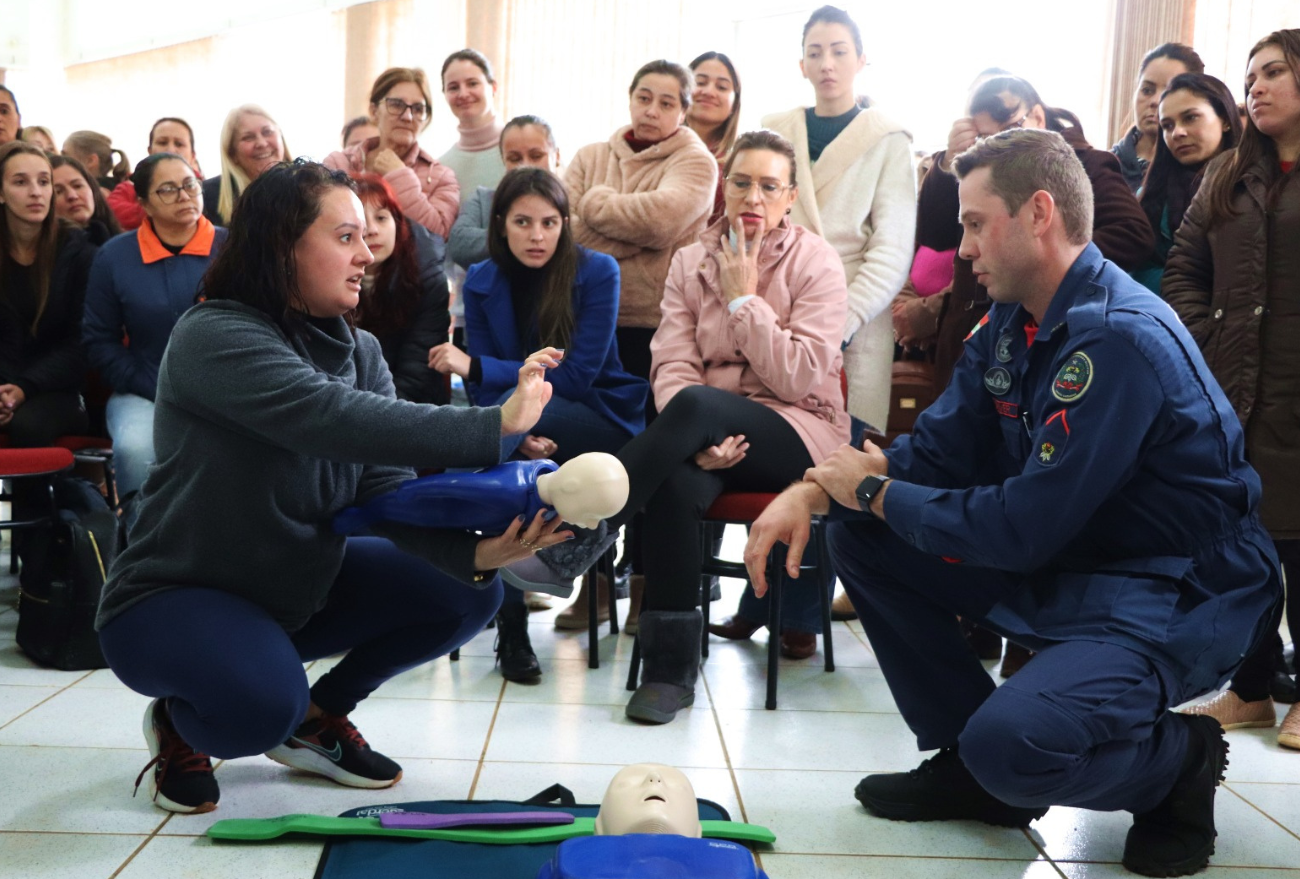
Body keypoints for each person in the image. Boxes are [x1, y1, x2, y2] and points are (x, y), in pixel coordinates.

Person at [743, 128, 1280, 878]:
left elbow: (1021, 528)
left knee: (1017, 744)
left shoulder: (1117, 339)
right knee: (865, 534)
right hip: (1076, 561)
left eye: (972, 222)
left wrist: (867, 488)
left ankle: (1173, 765)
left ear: (1037, 213)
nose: (961, 249)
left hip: (1177, 594)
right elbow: (933, 454)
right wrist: (815, 489)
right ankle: (974, 770)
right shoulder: (1012, 320)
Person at [94, 160, 565, 815]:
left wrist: (475, 556)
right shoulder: (214, 335)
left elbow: (384, 490)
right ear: (282, 245)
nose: (367, 254)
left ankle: (316, 715)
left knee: (468, 591)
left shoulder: (360, 349)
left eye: (364, 237)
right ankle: (182, 721)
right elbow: (334, 419)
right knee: (258, 707)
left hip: (292, 589)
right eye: (345, 237)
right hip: (171, 599)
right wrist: (497, 425)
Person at [508, 131, 849, 723]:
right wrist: (700, 436)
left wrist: (744, 301)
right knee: (674, 482)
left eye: (769, 186)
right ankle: (669, 673)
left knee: (692, 407)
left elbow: (798, 376)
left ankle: (578, 538)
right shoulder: (692, 259)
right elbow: (670, 363)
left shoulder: (816, 261)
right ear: (724, 185)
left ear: (789, 197)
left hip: (797, 430)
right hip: (705, 430)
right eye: (741, 181)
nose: (752, 196)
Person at [727, 5, 913, 640]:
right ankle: (756, 604)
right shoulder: (775, 127)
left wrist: (839, 321)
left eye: (839, 50)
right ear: (800, 62)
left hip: (854, 320)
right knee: (771, 451)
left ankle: (801, 618)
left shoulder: (888, 137)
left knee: (830, 465)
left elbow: (892, 246)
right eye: (815, 51)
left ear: (862, 60)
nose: (827, 62)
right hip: (772, 304)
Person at [432, 167, 647, 682]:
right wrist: (517, 428)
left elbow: (574, 377)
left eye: (549, 223)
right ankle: (513, 630)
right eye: (523, 222)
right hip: (521, 421)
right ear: (501, 224)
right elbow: (488, 397)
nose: (536, 235)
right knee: (497, 442)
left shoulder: (598, 272)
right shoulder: (482, 280)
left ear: (564, 224)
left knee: (488, 441)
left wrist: (480, 372)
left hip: (597, 415)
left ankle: (455, 543)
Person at [1162, 28, 1300, 748]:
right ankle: (1248, 688)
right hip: (1234, 384)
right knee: (1244, 542)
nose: (1258, 86)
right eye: (1251, 75)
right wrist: (1203, 336)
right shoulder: (1230, 175)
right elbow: (1183, 267)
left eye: (1274, 71)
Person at [562, 59, 717, 627]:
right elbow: (566, 236)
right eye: (643, 97)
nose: (652, 111)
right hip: (588, 327)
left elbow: (664, 220)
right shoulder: (588, 156)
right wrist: (632, 237)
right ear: (630, 98)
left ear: (683, 109)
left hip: (661, 331)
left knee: (649, 461)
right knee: (595, 453)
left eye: (667, 102)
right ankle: (595, 586)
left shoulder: (697, 162)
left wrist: (598, 209)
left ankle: (648, 587)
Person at [81, 153, 225, 500]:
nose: (185, 196)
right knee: (135, 448)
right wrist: (148, 382)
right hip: (143, 389)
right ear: (143, 203)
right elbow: (99, 340)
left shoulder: (231, 248)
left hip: (224, 390)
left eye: (190, 185)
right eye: (168, 190)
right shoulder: (115, 257)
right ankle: (143, 543)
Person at [0, 142, 97, 535]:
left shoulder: (78, 252)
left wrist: (22, 388)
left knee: (28, 426)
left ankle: (40, 562)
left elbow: (82, 344)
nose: (36, 192)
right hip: (6, 389)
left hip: (60, 392)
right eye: (21, 182)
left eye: (44, 182)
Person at [1130, 74, 1242, 292]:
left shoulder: (1253, 184)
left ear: (1225, 120)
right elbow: (1136, 273)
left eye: (1190, 118)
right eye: (1167, 126)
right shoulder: (1150, 195)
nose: (1177, 133)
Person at [350, 172, 450, 406]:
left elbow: (417, 369)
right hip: (350, 404)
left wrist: (382, 421)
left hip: (413, 406)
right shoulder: (327, 276)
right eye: (361, 223)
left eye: (382, 218)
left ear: (398, 222)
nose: (372, 230)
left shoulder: (427, 276)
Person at [324, 67, 459, 238]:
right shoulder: (338, 164)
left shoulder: (441, 177)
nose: (408, 117)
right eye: (396, 105)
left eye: (418, 109)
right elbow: (322, 225)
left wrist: (400, 176)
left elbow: (438, 236)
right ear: (374, 111)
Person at [1112, 44, 1206, 193]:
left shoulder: (1204, 174)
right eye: (1147, 90)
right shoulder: (1106, 166)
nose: (1155, 101)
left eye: (1169, 92)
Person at [107, 117, 202, 231]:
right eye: (162, 142)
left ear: (193, 155)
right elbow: (112, 213)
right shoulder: (128, 189)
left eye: (179, 144)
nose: (170, 149)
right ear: (150, 151)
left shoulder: (212, 190)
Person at [203, 104, 290, 226]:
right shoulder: (208, 198)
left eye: (267, 132)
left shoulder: (308, 187)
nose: (261, 143)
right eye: (248, 138)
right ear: (232, 153)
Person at [439, 49, 508, 197]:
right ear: (444, 95)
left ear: (493, 88)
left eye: (472, 84)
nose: (463, 94)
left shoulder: (524, 150)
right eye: (453, 87)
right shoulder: (442, 168)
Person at [685, 51, 742, 225]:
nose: (709, 91)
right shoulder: (654, 148)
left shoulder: (740, 163)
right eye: (699, 83)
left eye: (722, 87)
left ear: (734, 104)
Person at [49, 154, 123, 246]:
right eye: (58, 191)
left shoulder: (123, 244)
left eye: (77, 186)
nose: (72, 196)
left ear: (92, 187)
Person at [62, 130, 130, 194]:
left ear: (90, 161)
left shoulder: (95, 195)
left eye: (65, 156)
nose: (60, 160)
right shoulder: (121, 189)